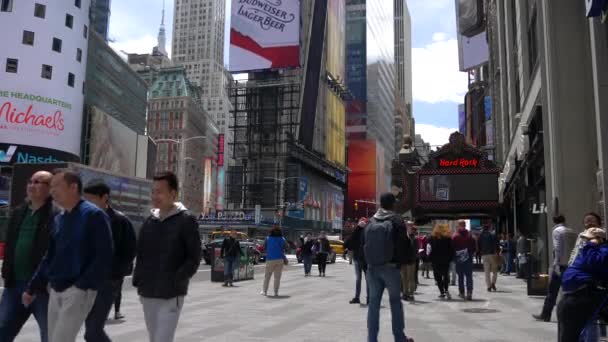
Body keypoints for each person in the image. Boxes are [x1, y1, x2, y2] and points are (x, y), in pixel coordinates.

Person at [23, 169, 114, 342]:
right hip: (55, 289)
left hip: (78, 290)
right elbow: (50, 256)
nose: (52, 191)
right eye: (51, 187)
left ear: (73, 187)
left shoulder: (94, 215)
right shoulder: (59, 219)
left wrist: (82, 286)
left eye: (57, 185)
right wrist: (32, 287)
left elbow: (104, 255)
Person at [133, 171, 202, 342]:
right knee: (154, 337)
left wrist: (177, 279)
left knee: (162, 339)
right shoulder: (150, 221)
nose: (155, 196)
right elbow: (140, 253)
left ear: (173, 194)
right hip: (147, 292)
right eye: (153, 191)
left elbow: (194, 257)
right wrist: (138, 278)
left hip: (171, 294)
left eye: (160, 191)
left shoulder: (186, 220)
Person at [0, 171, 55, 342]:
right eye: (30, 181)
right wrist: (6, 273)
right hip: (14, 285)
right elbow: (9, 246)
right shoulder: (18, 212)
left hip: (43, 289)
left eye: (38, 182)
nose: (32, 185)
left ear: (50, 188)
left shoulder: (57, 215)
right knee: (2, 331)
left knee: (51, 336)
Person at [82, 181, 136, 342]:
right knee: (90, 329)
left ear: (104, 198)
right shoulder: (85, 219)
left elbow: (129, 251)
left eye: (90, 199)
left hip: (107, 282)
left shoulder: (120, 221)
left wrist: (115, 275)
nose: (86, 203)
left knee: (92, 331)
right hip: (86, 282)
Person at [363, 193, 414, 342]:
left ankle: (371, 339)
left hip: (372, 269)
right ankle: (399, 338)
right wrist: (406, 261)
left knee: (373, 305)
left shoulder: (371, 220)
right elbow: (403, 244)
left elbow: (364, 243)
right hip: (391, 268)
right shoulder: (397, 220)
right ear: (392, 204)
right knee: (395, 302)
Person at [557, 227, 608, 342]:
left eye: (589, 238)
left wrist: (591, 245)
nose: (586, 240)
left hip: (585, 293)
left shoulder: (603, 249)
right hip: (574, 293)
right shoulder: (589, 248)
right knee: (567, 328)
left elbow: (594, 262)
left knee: (572, 332)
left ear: (599, 239)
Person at [532, 215, 577, 322]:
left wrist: (555, 264)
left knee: (552, 291)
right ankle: (571, 316)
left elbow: (557, 248)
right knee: (570, 291)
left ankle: (545, 314)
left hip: (560, 265)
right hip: (571, 265)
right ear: (564, 220)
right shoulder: (572, 232)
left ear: (554, 222)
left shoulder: (557, 231)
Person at [345, 217, 368, 304]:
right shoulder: (355, 232)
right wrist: (357, 228)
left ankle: (368, 298)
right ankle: (357, 297)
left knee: (367, 279)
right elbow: (347, 243)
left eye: (364, 222)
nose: (362, 223)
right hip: (358, 259)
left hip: (365, 260)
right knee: (359, 279)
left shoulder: (368, 232)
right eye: (360, 222)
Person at [428, 223, 455, 300]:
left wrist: (430, 259)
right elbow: (452, 250)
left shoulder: (431, 238)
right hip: (445, 261)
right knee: (446, 275)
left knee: (438, 277)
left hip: (435, 261)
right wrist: (450, 259)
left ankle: (442, 292)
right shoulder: (448, 238)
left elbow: (429, 249)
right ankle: (446, 289)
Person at [452, 220, 476, 300]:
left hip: (459, 259)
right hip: (468, 258)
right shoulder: (470, 235)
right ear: (465, 225)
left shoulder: (455, 236)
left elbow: (452, 248)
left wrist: (454, 258)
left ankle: (462, 293)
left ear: (458, 226)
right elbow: (474, 246)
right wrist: (471, 253)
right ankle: (469, 293)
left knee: (460, 276)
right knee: (469, 276)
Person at [261, 226, 288, 297]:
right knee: (277, 277)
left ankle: (264, 291)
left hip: (270, 259)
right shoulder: (282, 239)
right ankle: (276, 292)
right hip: (280, 259)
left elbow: (263, 247)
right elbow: (286, 247)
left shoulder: (268, 238)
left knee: (267, 276)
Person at [478, 223, 500, 292]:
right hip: (492, 254)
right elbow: (497, 244)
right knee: (495, 271)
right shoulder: (493, 235)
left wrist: (481, 251)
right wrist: (498, 253)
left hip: (484, 255)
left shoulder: (480, 236)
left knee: (486, 272)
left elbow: (479, 245)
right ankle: (493, 283)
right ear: (489, 228)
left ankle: (489, 286)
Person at [401, 222, 418, 301]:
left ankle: (411, 294)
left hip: (411, 261)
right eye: (408, 226)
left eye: (410, 226)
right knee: (404, 278)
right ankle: (405, 293)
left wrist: (413, 258)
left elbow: (415, 250)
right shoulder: (402, 236)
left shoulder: (414, 238)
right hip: (403, 260)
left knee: (410, 278)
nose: (409, 227)